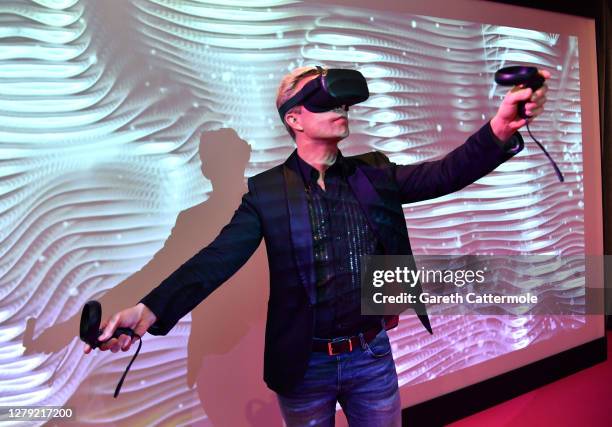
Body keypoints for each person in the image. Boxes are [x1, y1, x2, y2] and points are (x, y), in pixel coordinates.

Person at [84, 65, 550, 426]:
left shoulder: (373, 173)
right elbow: (216, 260)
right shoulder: (267, 193)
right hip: (305, 366)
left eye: (343, 102)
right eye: (322, 100)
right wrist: (148, 311)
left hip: (371, 357)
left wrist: (500, 130)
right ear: (294, 119)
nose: (341, 108)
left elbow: (444, 173)